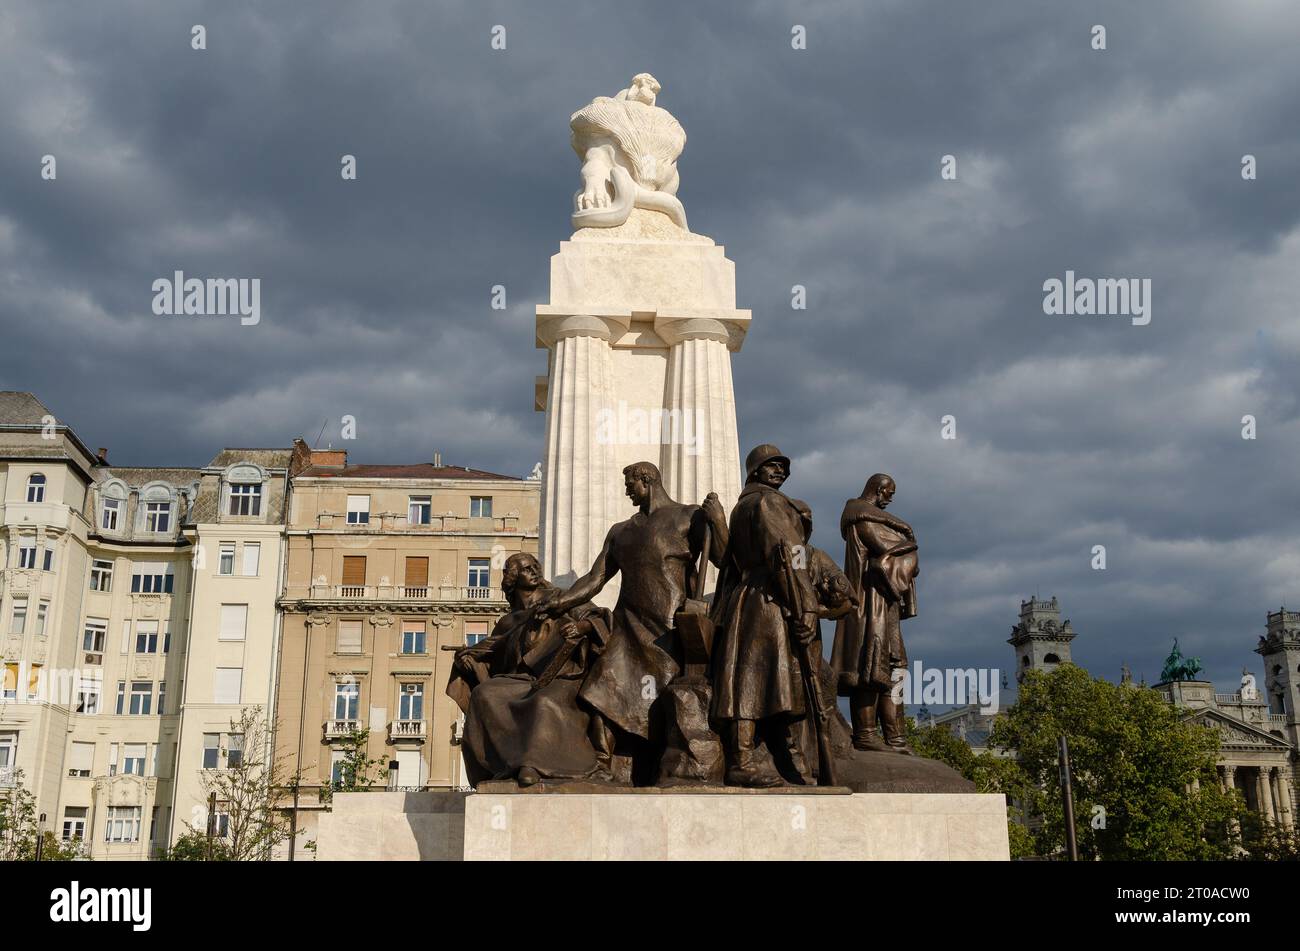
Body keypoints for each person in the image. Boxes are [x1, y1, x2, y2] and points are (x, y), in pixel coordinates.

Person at [537, 462, 722, 784]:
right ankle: (601, 764)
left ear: (646, 480)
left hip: (669, 626)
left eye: (630, 484)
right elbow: (596, 578)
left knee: (662, 697)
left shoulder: (688, 516)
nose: (627, 491)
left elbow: (722, 557)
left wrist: (717, 521)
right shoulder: (621, 531)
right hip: (627, 625)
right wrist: (559, 602)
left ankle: (657, 765)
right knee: (602, 687)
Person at [446, 552, 611, 787]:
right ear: (513, 578)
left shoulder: (560, 597)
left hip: (565, 675)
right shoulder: (507, 622)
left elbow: (600, 618)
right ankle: (503, 767)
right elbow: (493, 656)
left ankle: (533, 766)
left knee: (542, 700)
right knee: (485, 694)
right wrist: (469, 661)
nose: (534, 570)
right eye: (526, 568)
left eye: (535, 565)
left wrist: (580, 627)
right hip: (524, 679)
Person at [707, 444, 819, 787]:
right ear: (754, 469)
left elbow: (727, 560)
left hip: (748, 598)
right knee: (763, 678)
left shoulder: (743, 507)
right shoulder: (768, 502)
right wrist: (808, 605)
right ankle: (745, 759)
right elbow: (789, 555)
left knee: (761, 678)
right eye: (772, 466)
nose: (780, 471)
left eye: (783, 466)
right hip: (770, 599)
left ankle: (785, 756)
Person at [830, 473, 919, 754]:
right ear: (878, 490)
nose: (890, 498)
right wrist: (908, 541)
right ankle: (866, 735)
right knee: (868, 668)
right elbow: (888, 550)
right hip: (869, 605)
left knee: (895, 667)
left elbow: (898, 556)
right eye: (889, 492)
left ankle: (896, 739)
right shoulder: (863, 518)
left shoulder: (870, 518)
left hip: (884, 605)